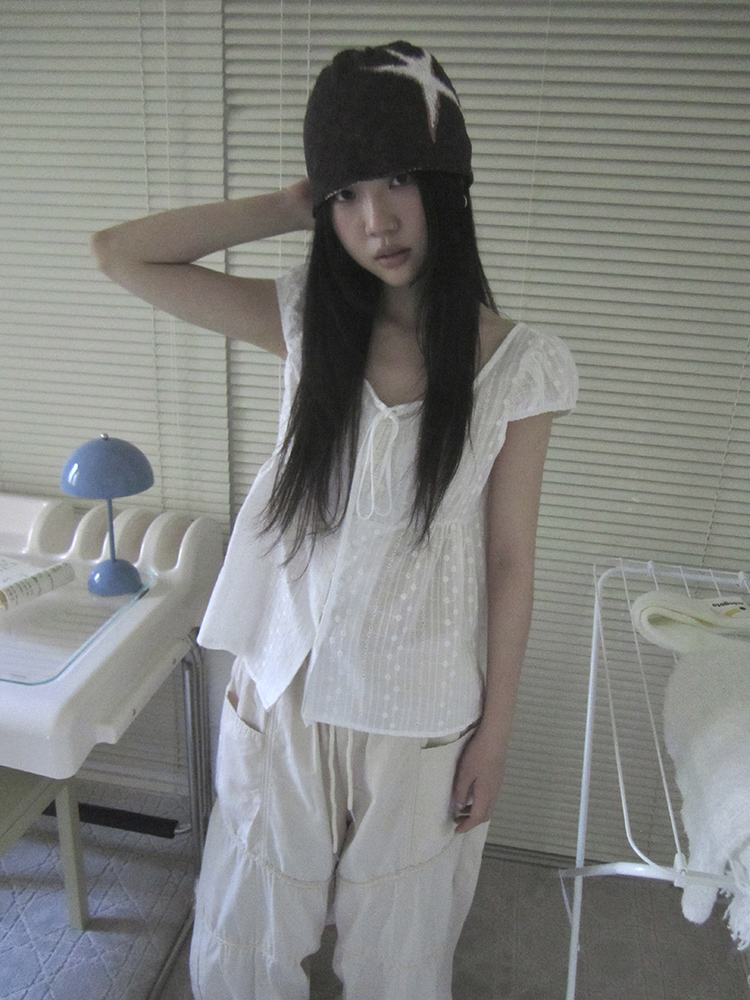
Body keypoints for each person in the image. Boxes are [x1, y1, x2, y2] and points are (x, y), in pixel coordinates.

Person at [91, 40, 578, 1000]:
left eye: (397, 178)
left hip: (422, 709)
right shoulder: (308, 321)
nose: (375, 219)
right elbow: (120, 254)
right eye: (347, 194)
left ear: (447, 183)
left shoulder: (522, 366)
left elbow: (510, 561)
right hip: (283, 688)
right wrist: (292, 202)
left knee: (400, 949)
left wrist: (495, 736)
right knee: (247, 930)